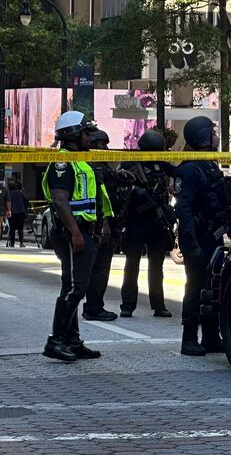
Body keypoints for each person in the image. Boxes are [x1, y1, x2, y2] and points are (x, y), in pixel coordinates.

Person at [41, 111, 114, 362]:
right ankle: (56, 341)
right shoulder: (63, 162)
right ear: (73, 135)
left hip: (85, 231)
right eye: (85, 132)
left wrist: (102, 223)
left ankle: (71, 340)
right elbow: (61, 201)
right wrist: (75, 233)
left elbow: (93, 195)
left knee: (73, 287)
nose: (89, 137)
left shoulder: (80, 160)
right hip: (73, 233)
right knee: (75, 288)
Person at [174, 115, 231, 356]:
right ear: (203, 137)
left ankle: (210, 336)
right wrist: (191, 242)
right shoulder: (189, 169)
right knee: (195, 288)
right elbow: (184, 209)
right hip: (197, 238)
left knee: (213, 286)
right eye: (213, 132)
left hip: (213, 237)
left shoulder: (209, 164)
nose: (217, 137)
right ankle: (189, 338)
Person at [119, 129, 175, 318]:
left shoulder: (161, 165)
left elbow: (177, 172)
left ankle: (158, 305)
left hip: (157, 222)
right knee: (131, 265)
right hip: (136, 221)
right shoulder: (131, 164)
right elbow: (118, 181)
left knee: (156, 267)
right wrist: (135, 190)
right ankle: (127, 305)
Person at [81, 127, 133, 322]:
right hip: (99, 226)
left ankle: (94, 305)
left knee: (99, 268)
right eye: (102, 144)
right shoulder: (93, 168)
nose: (106, 148)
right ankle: (93, 307)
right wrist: (104, 225)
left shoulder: (100, 167)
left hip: (106, 224)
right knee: (99, 269)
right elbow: (99, 198)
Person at [7, 178, 29, 248]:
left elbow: (7, 202)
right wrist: (24, 209)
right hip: (21, 212)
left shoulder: (9, 194)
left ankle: (12, 243)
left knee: (12, 228)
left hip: (12, 213)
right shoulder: (21, 193)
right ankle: (21, 242)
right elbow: (26, 201)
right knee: (20, 228)